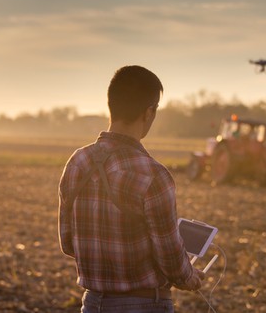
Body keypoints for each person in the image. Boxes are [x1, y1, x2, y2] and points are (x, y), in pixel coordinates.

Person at [58, 65, 204, 313]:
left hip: (92, 303)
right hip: (145, 305)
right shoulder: (153, 174)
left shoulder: (77, 162)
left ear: (111, 105)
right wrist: (190, 277)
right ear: (149, 112)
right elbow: (170, 259)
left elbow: (67, 243)